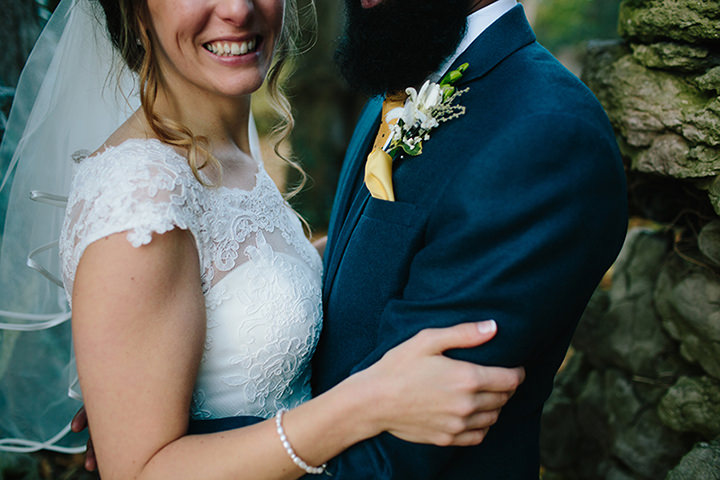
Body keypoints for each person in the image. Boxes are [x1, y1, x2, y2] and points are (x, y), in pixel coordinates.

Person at [0, 0, 525, 477]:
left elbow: (247, 276)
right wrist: (367, 403)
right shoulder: (143, 192)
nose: (237, 9)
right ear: (136, 12)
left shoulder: (223, 155)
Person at [187, 0, 629, 478]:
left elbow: (387, 457)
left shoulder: (546, 136)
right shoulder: (399, 84)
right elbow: (360, 273)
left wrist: (169, 450)